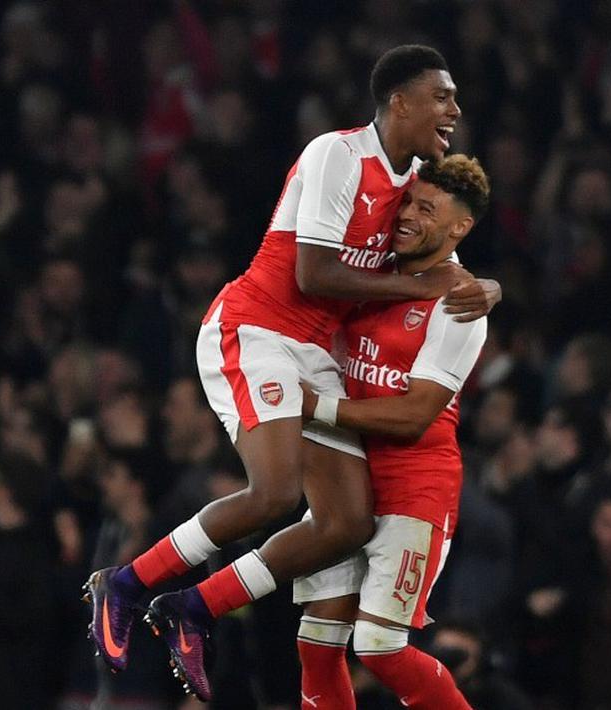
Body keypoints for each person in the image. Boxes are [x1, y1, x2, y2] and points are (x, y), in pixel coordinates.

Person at [84, 45, 500, 702]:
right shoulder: (336, 155)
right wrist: (424, 285)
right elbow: (314, 274)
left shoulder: (414, 179)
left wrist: (484, 286)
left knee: (344, 525)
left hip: (317, 355)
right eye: (442, 96)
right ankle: (129, 584)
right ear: (399, 101)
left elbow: (447, 235)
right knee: (276, 494)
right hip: (256, 331)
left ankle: (192, 607)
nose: (454, 109)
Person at [292, 154, 490, 709]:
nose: (406, 215)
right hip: (346, 474)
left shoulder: (459, 304)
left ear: (459, 228)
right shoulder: (371, 277)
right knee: (317, 641)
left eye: (426, 209)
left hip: (414, 488)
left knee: (378, 645)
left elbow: (412, 415)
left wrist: (317, 408)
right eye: (406, 201)